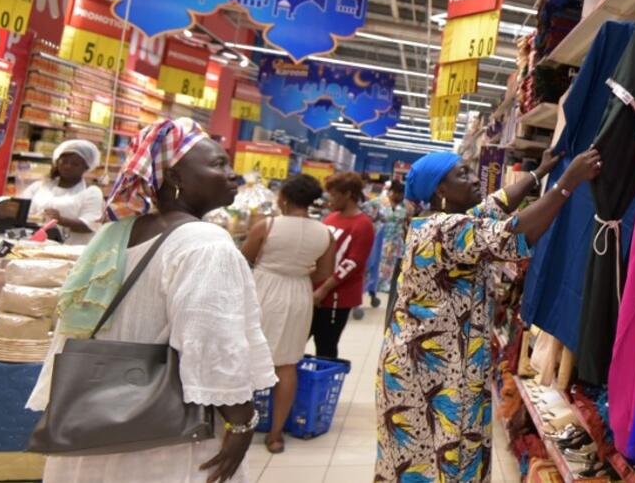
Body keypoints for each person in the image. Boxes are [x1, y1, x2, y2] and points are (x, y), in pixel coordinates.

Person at [26, 118, 275, 483]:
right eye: (219, 164)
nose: (232, 174)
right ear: (174, 178)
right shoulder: (204, 242)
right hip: (165, 439)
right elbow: (210, 342)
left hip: (92, 427)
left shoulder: (115, 233)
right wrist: (241, 422)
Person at [375, 147, 602, 482]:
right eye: (461, 174)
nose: (473, 179)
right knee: (437, 458)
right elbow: (518, 232)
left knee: (427, 458)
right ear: (440, 190)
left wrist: (539, 173)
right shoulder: (445, 230)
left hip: (430, 364)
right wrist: (567, 182)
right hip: (431, 375)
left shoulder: (442, 221)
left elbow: (496, 203)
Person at [241, 173, 335, 454]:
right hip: (298, 295)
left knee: (247, 357)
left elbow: (243, 258)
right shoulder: (325, 233)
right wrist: (300, 270)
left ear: (283, 198)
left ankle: (239, 427)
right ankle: (275, 435)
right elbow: (325, 273)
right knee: (287, 363)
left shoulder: (266, 226)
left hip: (264, 290)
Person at [312, 171, 375, 359]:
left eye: (333, 194)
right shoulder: (331, 218)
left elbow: (352, 263)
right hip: (316, 292)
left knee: (325, 346)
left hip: (337, 297)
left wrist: (324, 289)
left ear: (347, 194)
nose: (330, 199)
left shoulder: (363, 225)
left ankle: (322, 387)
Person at [21, 139, 105, 245]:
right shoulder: (39, 186)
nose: (67, 166)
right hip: (36, 248)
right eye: (64, 161)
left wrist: (61, 220)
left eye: (75, 164)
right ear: (57, 161)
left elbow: (90, 225)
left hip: (71, 251)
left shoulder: (91, 192)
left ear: (86, 167)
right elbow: (23, 213)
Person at [368, 179, 411, 297]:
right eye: (399, 193)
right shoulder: (377, 202)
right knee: (376, 261)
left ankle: (386, 285)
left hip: (396, 241)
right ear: (392, 192)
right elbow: (366, 217)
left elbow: (408, 222)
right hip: (379, 239)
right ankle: (373, 285)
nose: (402, 196)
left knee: (392, 263)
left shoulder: (405, 207)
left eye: (403, 194)